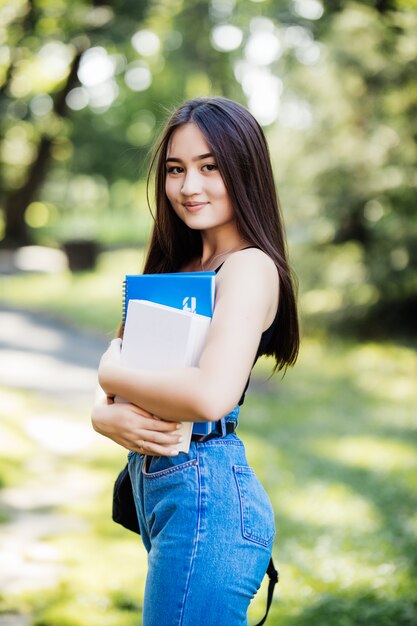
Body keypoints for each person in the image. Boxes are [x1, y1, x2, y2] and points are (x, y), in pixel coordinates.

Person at [91, 96, 299, 626]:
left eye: (211, 167)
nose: (189, 187)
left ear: (245, 172)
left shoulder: (248, 268)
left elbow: (210, 395)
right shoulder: (179, 265)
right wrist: (102, 411)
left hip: (210, 499)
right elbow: (121, 359)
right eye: (176, 169)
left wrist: (109, 375)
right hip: (166, 491)